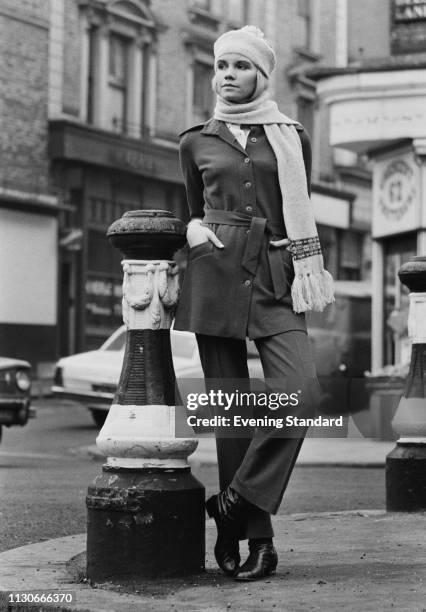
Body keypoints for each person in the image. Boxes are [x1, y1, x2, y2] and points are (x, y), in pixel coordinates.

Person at [174, 25, 334, 581]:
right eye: (222, 67)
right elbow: (191, 206)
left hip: (275, 272)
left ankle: (235, 502)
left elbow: (298, 206)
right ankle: (255, 543)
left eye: (240, 67)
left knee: (302, 392)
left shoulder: (291, 135)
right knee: (231, 411)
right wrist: (193, 230)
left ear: (261, 75)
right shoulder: (195, 139)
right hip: (215, 273)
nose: (227, 76)